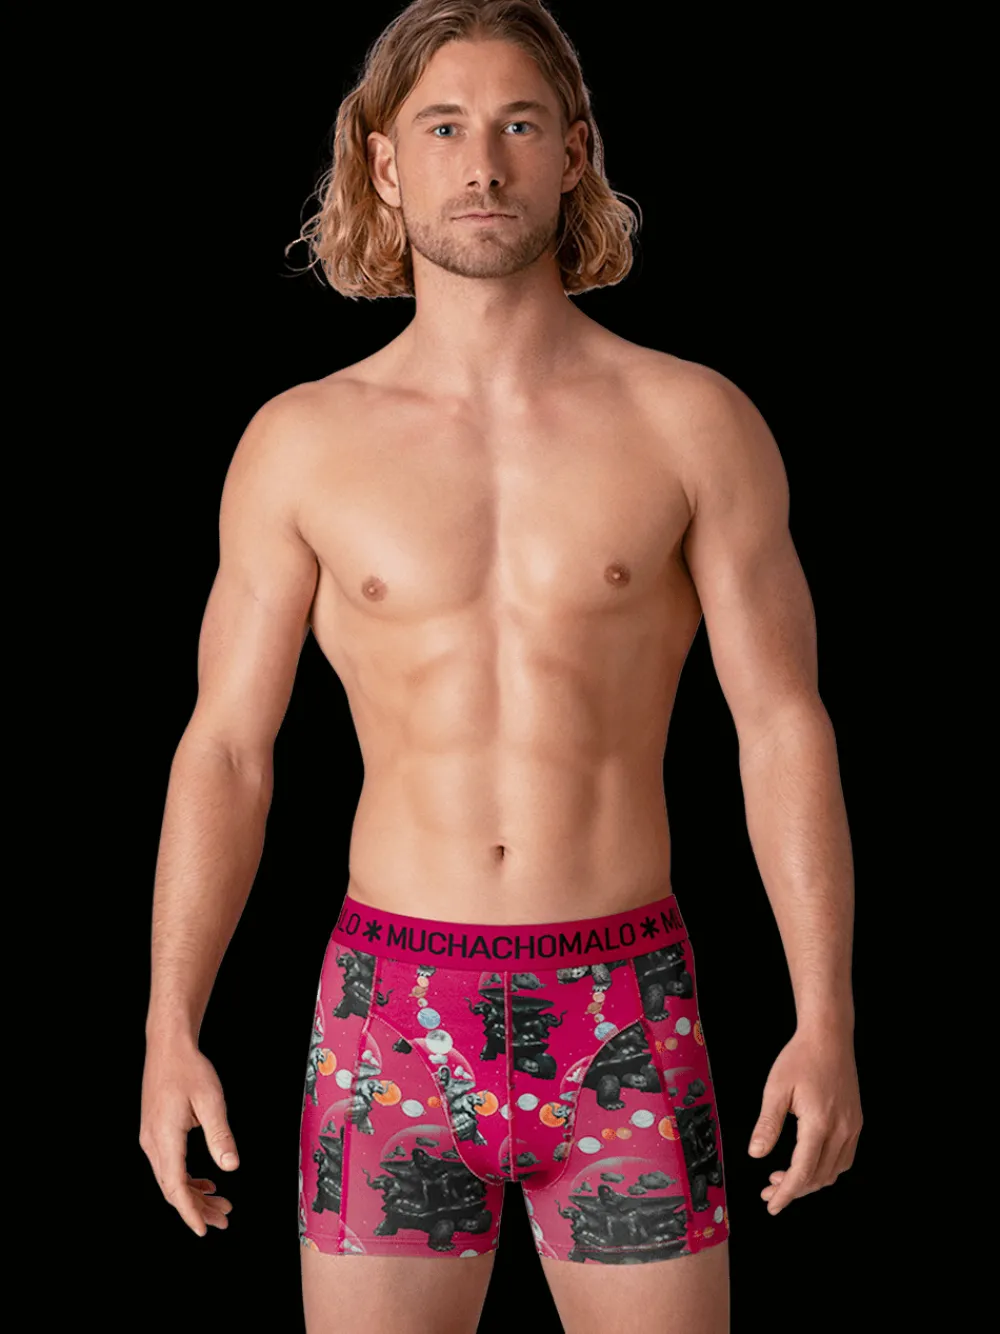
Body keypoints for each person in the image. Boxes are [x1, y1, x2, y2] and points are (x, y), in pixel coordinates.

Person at [138, 2, 862, 1331]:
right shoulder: (301, 443)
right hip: (390, 1013)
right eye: (444, 128)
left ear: (574, 151)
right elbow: (229, 747)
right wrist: (167, 1028)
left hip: (624, 1008)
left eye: (520, 124)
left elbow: (781, 724)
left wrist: (828, 1017)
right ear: (384, 162)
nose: (483, 164)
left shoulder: (692, 421)